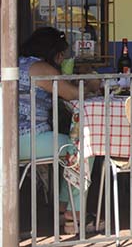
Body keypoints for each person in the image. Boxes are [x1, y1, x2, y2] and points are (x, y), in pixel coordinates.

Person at [19, 27, 100, 234]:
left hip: (10, 139)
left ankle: (63, 209)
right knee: (83, 149)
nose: (62, 58)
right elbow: (73, 94)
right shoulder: (42, 68)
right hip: (29, 139)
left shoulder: (19, 63)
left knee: (72, 147)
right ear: (53, 52)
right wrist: (90, 85)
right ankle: (75, 217)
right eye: (61, 54)